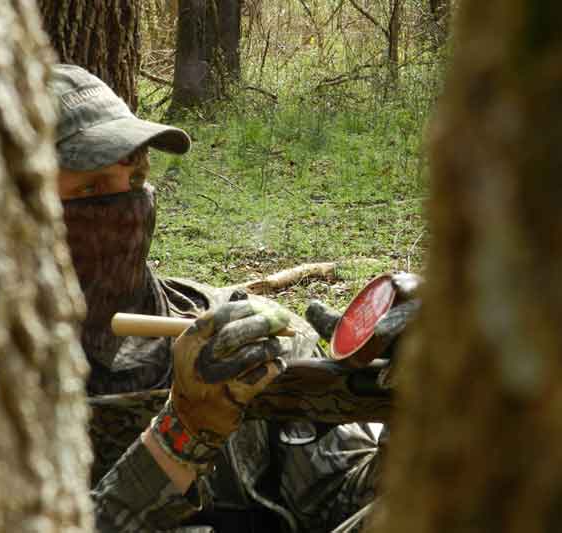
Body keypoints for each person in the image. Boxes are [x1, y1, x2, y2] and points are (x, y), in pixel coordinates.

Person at [49, 64, 388, 533]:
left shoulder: (238, 342)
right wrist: (179, 439)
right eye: (90, 188)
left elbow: (340, 498)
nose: (124, 209)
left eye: (135, 180)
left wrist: (416, 429)